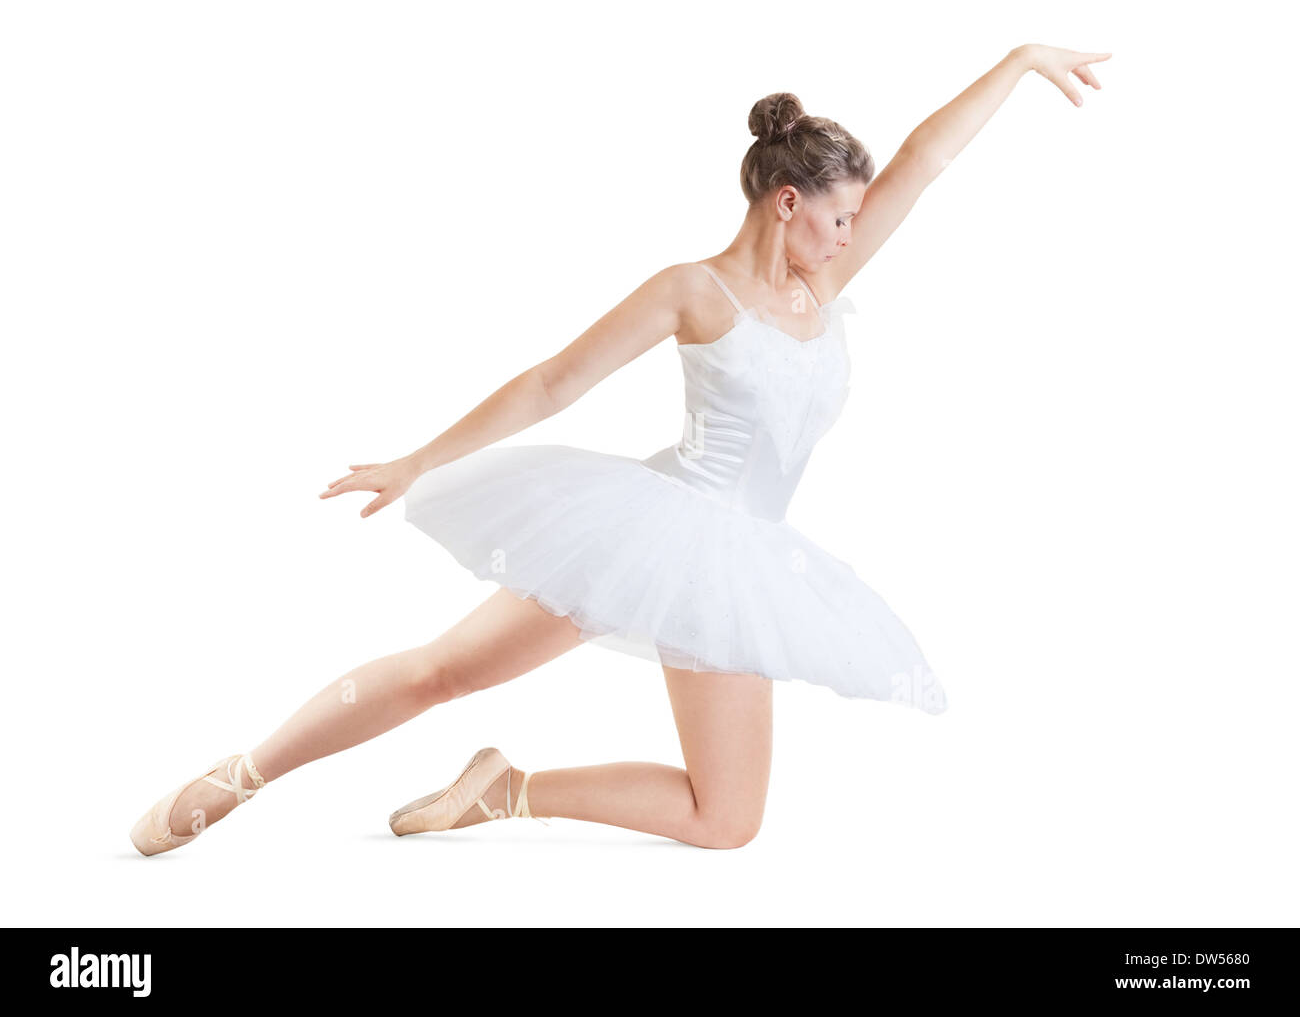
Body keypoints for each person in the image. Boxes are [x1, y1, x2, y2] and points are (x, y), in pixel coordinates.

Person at [130, 42, 1110, 855]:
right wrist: (417, 458)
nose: (853, 232)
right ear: (785, 205)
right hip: (654, 528)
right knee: (444, 670)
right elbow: (552, 380)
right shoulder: (695, 290)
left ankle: (506, 789)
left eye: (856, 216)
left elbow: (923, 161)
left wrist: (1019, 61)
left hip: (744, 563)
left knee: (724, 819)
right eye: (839, 215)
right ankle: (242, 771)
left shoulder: (826, 272)